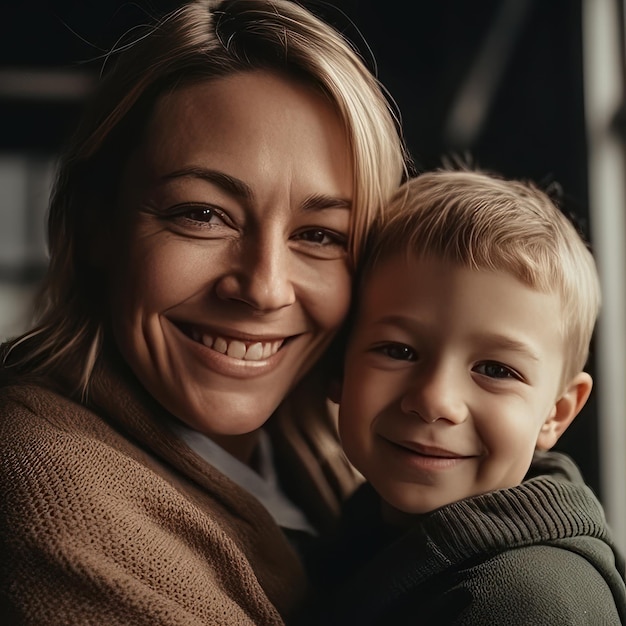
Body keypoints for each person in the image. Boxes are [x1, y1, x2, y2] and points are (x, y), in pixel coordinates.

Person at [0, 0, 412, 623]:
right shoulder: (48, 489)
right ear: (93, 224)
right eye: (202, 214)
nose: (265, 288)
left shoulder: (316, 456)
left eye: (321, 235)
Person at [300, 167, 626, 625]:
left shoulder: (525, 604)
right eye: (399, 351)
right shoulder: (360, 527)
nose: (435, 400)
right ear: (339, 366)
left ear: (557, 413)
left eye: (496, 370)